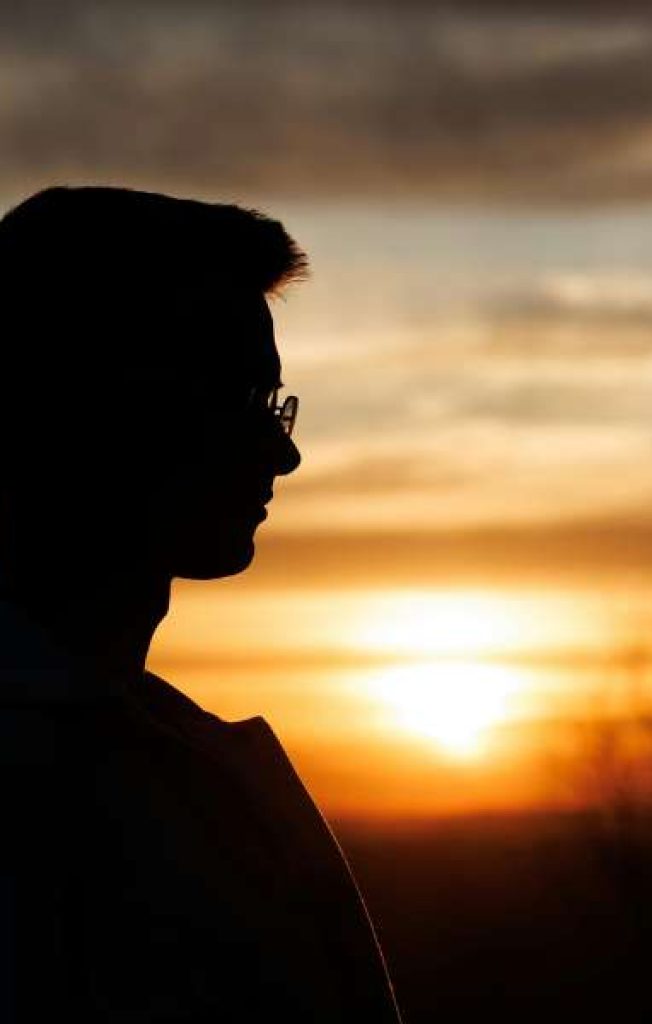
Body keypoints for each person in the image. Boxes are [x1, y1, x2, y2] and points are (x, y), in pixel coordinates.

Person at [0, 187, 401, 1022]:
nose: (283, 455)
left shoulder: (170, 754)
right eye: (241, 400)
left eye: (275, 406)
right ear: (77, 401)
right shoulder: (47, 784)